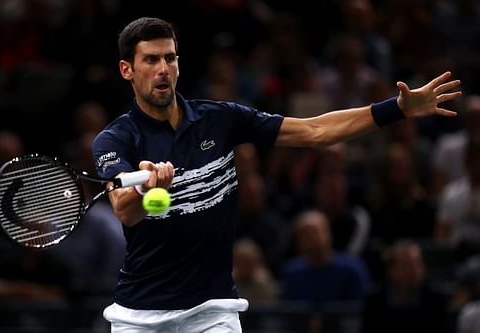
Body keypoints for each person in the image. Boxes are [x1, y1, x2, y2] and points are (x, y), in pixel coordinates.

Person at [91, 16, 461, 333]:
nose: (163, 69)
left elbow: (315, 131)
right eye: (151, 60)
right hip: (137, 316)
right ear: (127, 69)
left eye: (169, 58)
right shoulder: (115, 140)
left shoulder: (219, 119)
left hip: (211, 311)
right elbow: (125, 208)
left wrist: (394, 108)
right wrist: (147, 188)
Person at [361, 239, 451, 333]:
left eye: (417, 264)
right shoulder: (375, 302)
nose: (413, 271)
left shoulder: (436, 301)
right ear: (391, 270)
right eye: (406, 265)